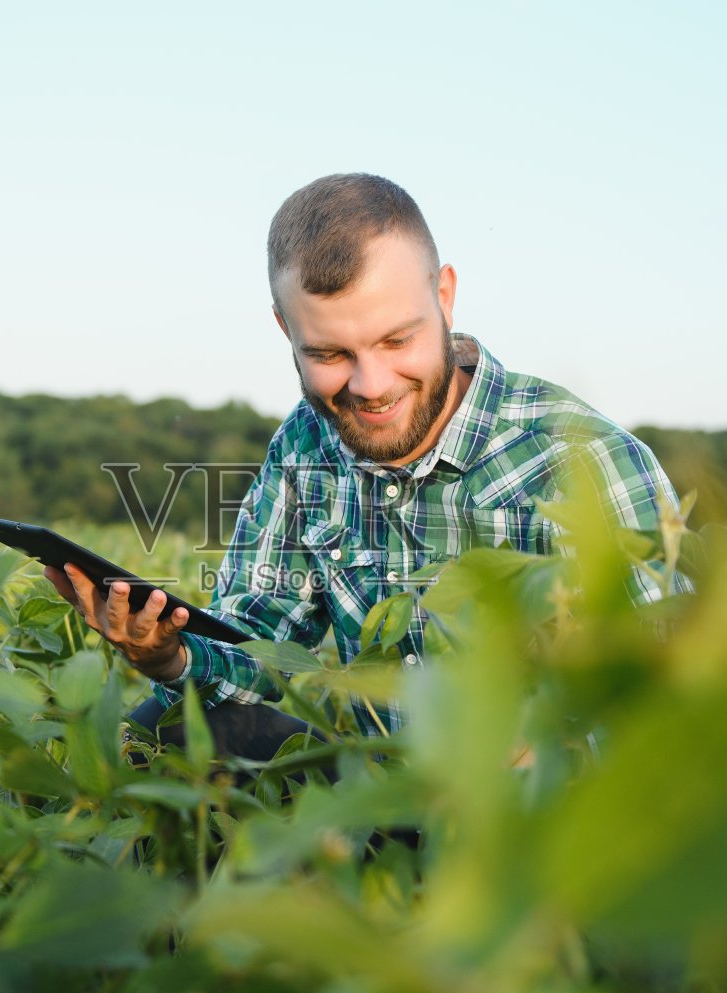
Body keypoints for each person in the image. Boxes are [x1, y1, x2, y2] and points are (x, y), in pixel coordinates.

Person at [47, 173, 689, 759]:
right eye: (330, 354)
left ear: (445, 296)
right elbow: (258, 639)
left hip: (544, 811)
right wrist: (166, 656)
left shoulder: (581, 457)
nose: (371, 386)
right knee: (166, 728)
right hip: (381, 794)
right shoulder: (306, 444)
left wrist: (537, 755)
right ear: (286, 329)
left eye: (396, 340)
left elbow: (676, 707)